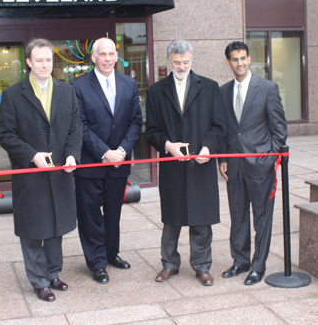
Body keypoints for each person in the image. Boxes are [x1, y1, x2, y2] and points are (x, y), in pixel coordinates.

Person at [0, 38, 82, 302]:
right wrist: (31, 155)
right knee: (33, 229)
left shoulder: (67, 92)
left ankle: (53, 273)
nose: (45, 65)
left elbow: (75, 130)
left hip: (59, 175)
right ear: (29, 62)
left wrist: (71, 156)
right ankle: (38, 280)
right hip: (30, 176)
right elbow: (6, 135)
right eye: (40, 60)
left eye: (49, 60)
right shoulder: (12, 95)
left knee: (56, 227)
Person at [145, 40, 226, 286]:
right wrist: (167, 146)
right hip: (172, 166)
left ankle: (202, 266)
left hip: (201, 165)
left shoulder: (210, 88)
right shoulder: (156, 91)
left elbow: (219, 127)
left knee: (201, 218)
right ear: (170, 61)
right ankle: (169, 264)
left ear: (192, 60)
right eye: (177, 62)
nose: (182, 66)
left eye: (186, 62)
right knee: (171, 219)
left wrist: (208, 148)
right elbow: (151, 131)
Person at [71, 37, 142, 284]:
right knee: (90, 215)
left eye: (112, 54)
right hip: (91, 164)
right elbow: (80, 126)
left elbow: (135, 122)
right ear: (93, 57)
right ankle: (97, 262)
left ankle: (112, 254)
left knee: (113, 213)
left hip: (118, 164)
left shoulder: (129, 84)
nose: (108, 59)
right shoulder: (78, 86)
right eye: (103, 54)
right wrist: (105, 152)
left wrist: (121, 150)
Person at [219, 41, 287, 285]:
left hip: (261, 165)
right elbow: (225, 130)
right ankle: (240, 261)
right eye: (235, 59)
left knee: (262, 218)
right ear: (228, 62)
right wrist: (224, 158)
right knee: (237, 216)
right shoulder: (222, 91)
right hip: (234, 166)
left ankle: (258, 266)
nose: (240, 63)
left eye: (243, 58)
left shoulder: (267, 88)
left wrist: (269, 159)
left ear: (249, 59)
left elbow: (279, 130)